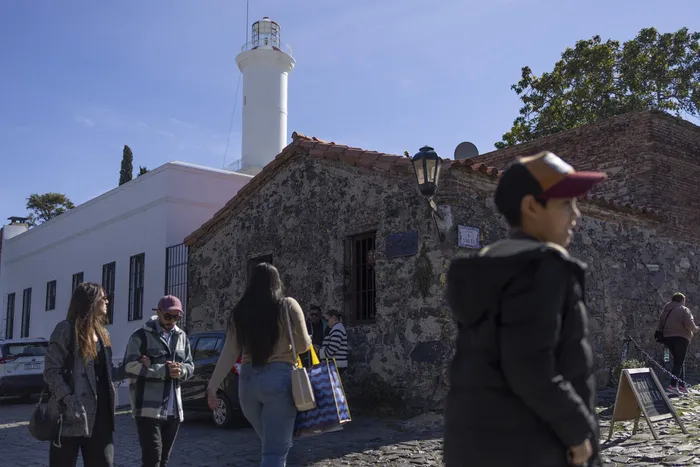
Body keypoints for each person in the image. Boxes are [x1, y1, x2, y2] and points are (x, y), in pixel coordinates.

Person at [444, 152, 605, 467]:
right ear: (532, 206)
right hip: (533, 444)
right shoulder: (540, 269)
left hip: (474, 444)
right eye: (565, 204)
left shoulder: (484, 273)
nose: (577, 215)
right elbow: (529, 366)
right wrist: (575, 432)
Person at [207, 262, 311, 467]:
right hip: (279, 381)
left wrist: (212, 386)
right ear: (277, 282)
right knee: (274, 451)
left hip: (247, 385)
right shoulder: (288, 306)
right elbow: (302, 347)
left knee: (271, 443)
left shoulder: (239, 312)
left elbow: (229, 352)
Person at [44, 282, 116, 467]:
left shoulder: (103, 334)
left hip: (100, 418)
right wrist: (69, 400)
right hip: (70, 416)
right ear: (90, 302)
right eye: (103, 297)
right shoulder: (66, 330)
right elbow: (51, 371)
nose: (107, 301)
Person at [123, 295, 194, 467]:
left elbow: (190, 365)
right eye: (168, 316)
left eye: (176, 317)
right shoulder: (140, 336)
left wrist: (181, 371)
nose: (172, 321)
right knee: (152, 460)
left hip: (173, 410)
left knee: (163, 460)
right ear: (159, 312)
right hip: (148, 409)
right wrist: (162, 370)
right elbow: (129, 366)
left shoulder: (182, 336)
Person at [658, 292, 699, 394]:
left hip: (667, 338)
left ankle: (682, 386)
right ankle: (672, 386)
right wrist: (697, 328)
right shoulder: (684, 310)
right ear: (682, 300)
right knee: (678, 362)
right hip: (681, 338)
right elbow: (690, 326)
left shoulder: (666, 310)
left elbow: (660, 324)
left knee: (679, 362)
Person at [318, 309, 348, 376]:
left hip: (336, 365)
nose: (326, 323)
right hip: (336, 365)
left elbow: (332, 349)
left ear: (333, 318)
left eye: (327, 320)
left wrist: (319, 352)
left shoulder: (337, 329)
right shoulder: (337, 329)